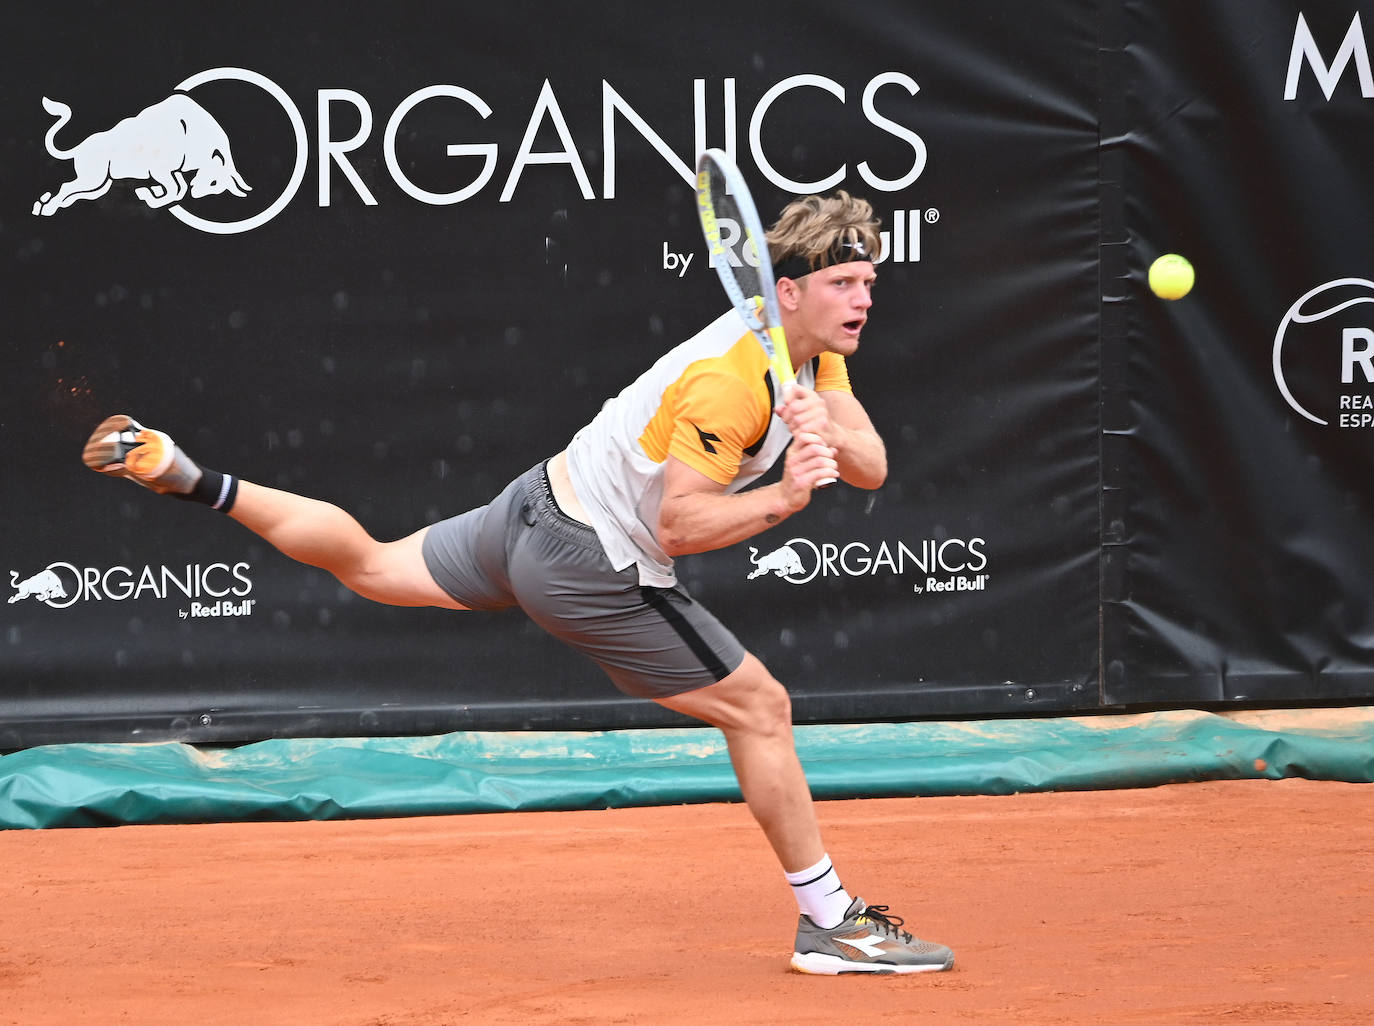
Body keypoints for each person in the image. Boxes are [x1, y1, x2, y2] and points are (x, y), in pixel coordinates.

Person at [82, 191, 954, 975]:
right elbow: (676, 528)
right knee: (760, 708)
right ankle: (831, 923)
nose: (865, 299)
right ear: (789, 290)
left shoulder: (807, 346)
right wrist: (785, 496)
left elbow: (872, 468)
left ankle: (193, 477)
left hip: (533, 506)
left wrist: (821, 419)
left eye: (869, 282)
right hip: (591, 561)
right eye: (846, 283)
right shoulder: (732, 381)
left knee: (376, 564)